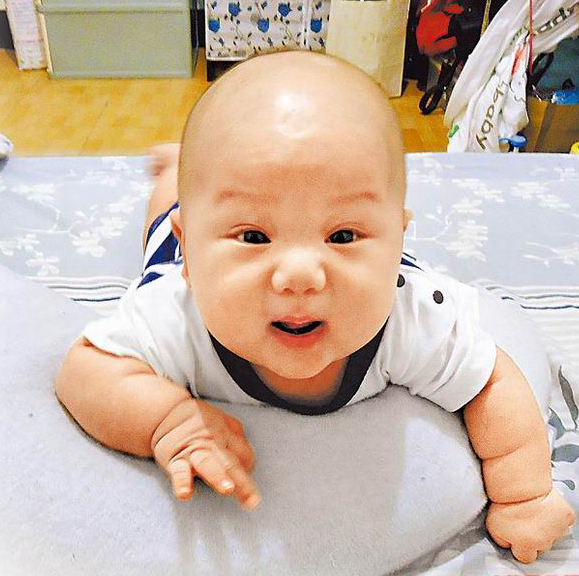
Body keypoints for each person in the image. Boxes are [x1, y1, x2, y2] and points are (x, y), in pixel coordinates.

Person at [56, 49, 575, 564]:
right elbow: (86, 370)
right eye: (254, 236)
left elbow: (491, 382)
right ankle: (173, 175)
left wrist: (524, 495)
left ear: (398, 240)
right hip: (179, 262)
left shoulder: (410, 318)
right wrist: (167, 420)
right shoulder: (175, 313)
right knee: (163, 219)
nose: (301, 276)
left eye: (343, 234)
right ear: (192, 250)